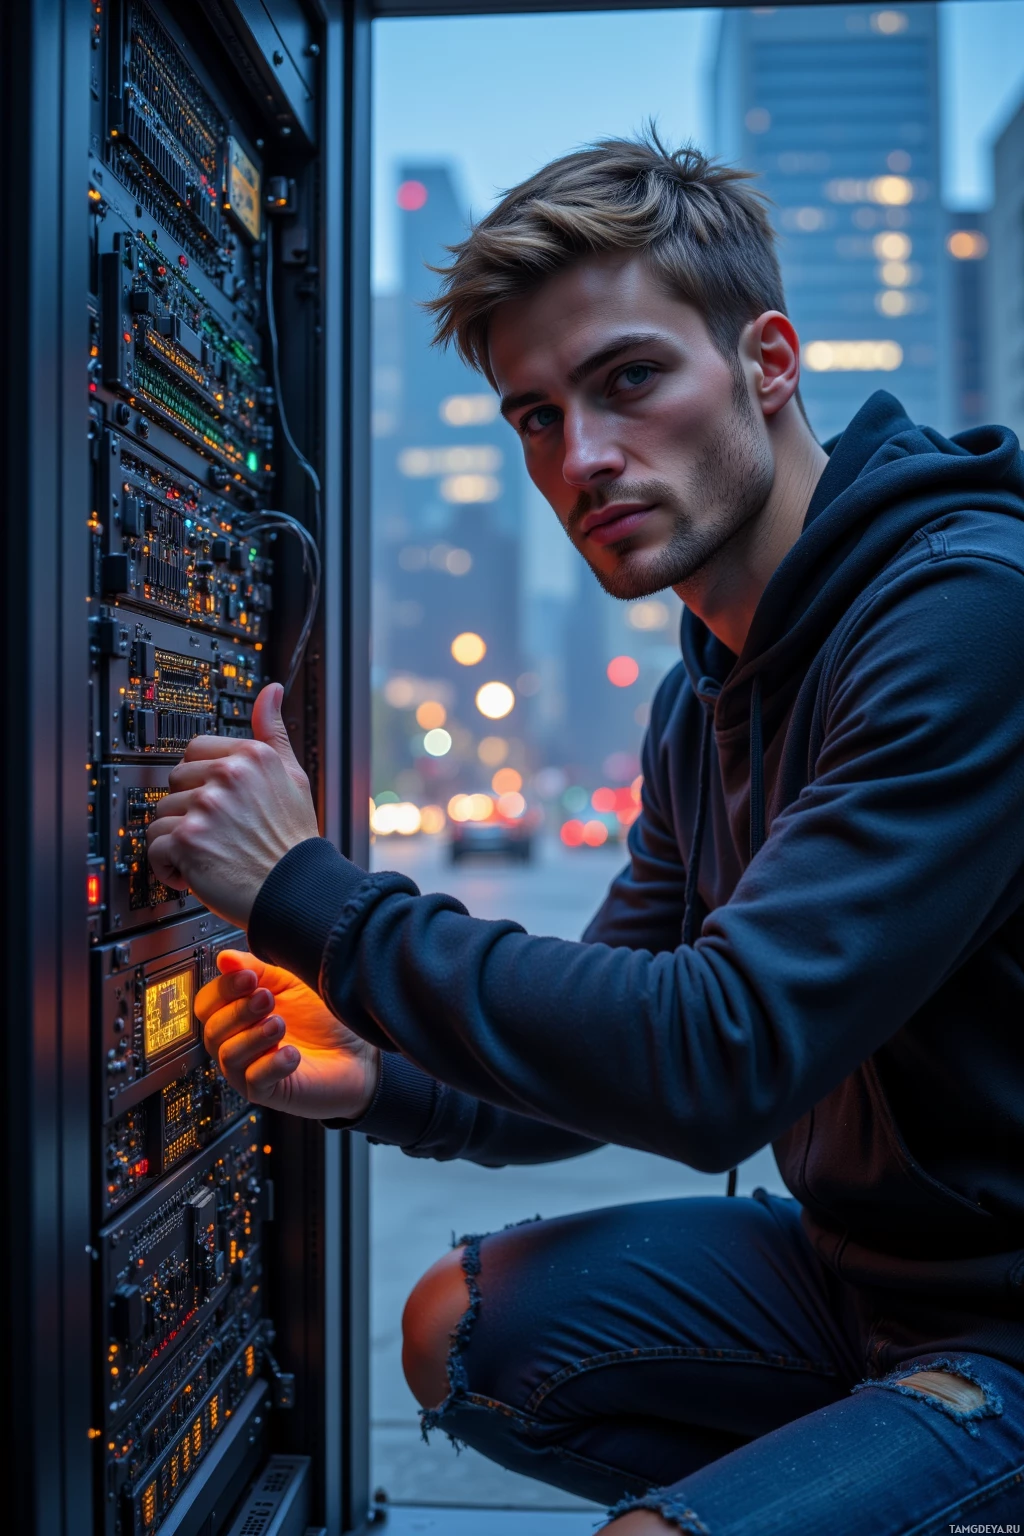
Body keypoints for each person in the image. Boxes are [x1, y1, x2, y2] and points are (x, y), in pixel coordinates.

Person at [147, 135, 1024, 1535]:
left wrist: (311, 896)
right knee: (462, 1326)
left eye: (629, 381)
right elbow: (614, 1037)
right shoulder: (704, 698)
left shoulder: (969, 617)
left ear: (771, 361)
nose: (585, 459)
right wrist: (376, 1078)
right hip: (872, 1282)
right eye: (536, 417)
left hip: (1007, 1333)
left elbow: (714, 1055)